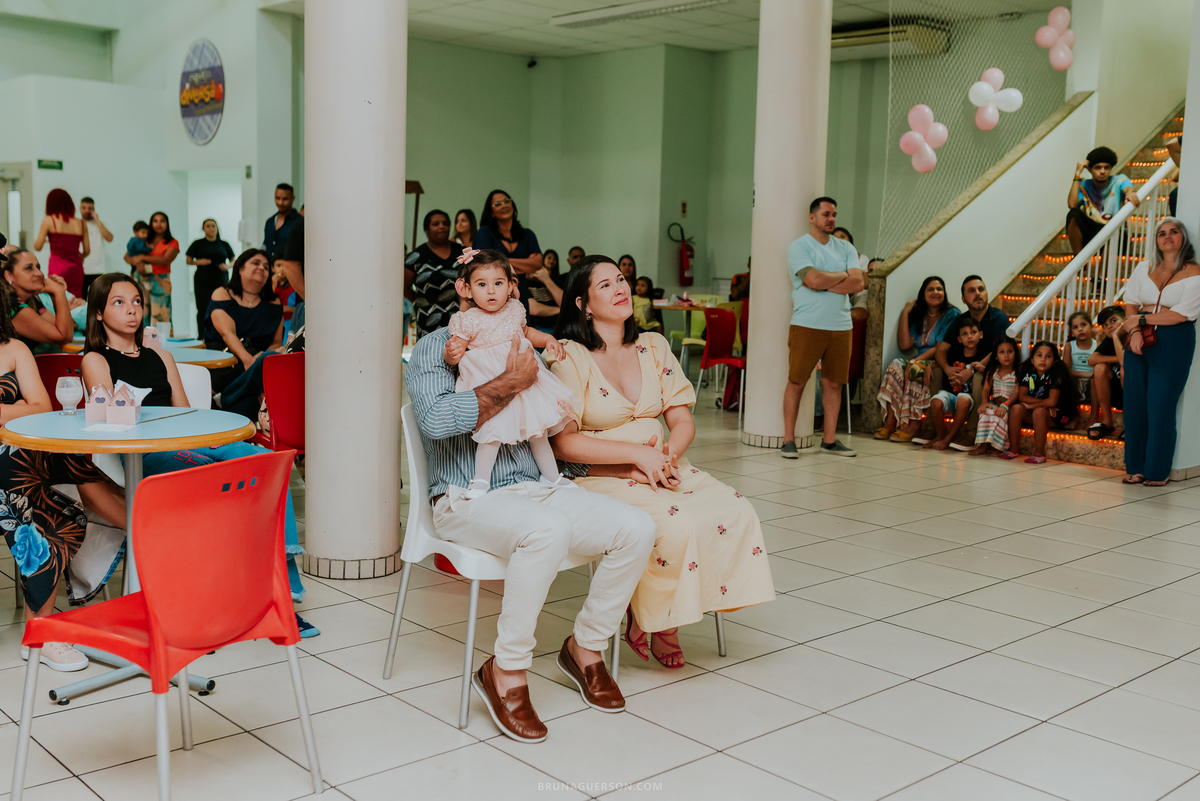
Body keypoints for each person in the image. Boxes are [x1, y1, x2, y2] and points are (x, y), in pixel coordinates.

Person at [406, 304, 656, 745]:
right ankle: (505, 670)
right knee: (548, 531)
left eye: (504, 285)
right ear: (463, 288)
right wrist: (507, 384)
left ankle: (586, 648)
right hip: (467, 496)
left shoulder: (521, 343)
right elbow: (435, 421)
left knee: (636, 527)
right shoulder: (434, 348)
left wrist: (618, 471)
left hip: (537, 488)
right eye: (482, 283)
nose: (495, 295)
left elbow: (542, 426)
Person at [548, 256, 775, 669]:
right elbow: (563, 444)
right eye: (605, 285)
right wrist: (638, 456)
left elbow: (682, 420)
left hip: (665, 466)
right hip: (602, 474)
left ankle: (653, 613)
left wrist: (667, 456)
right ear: (582, 303)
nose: (621, 288)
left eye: (621, 279)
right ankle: (659, 623)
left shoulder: (653, 346)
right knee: (673, 525)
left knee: (736, 509)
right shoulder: (569, 356)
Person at [81, 273, 317, 636]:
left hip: (185, 442)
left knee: (266, 464)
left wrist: (208, 441)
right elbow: (114, 419)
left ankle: (280, 585)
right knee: (214, 479)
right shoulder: (97, 360)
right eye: (118, 302)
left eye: (137, 302)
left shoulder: (160, 355)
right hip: (143, 453)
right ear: (98, 312)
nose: (132, 310)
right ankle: (260, 599)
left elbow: (188, 415)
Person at [442, 249, 576, 496]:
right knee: (491, 432)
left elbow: (526, 333)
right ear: (468, 289)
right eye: (482, 284)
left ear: (511, 286)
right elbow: (456, 350)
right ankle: (481, 481)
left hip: (527, 383)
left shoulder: (515, 310)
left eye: (498, 283)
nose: (491, 291)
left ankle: (552, 477)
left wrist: (547, 339)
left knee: (538, 431)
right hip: (492, 382)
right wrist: (451, 353)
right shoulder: (467, 319)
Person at [781, 197, 863, 459]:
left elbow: (858, 284)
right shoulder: (799, 247)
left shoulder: (846, 247)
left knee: (834, 384)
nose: (831, 219)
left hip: (841, 325)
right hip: (807, 323)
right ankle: (788, 440)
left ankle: (829, 441)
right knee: (797, 381)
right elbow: (812, 278)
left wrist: (823, 281)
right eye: (826, 214)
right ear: (812, 217)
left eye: (834, 214)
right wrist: (842, 275)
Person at [1120, 216, 1200, 485]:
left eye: (1173, 232)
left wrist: (1141, 320)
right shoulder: (1144, 267)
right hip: (1137, 340)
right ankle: (1135, 467)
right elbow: (1131, 302)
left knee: (1160, 407)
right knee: (1134, 406)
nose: (1167, 236)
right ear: (1156, 240)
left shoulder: (1195, 272)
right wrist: (1133, 332)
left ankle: (1156, 471)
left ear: (1183, 238)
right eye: (1161, 233)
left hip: (1174, 341)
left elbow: (1181, 314)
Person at [875, 276, 959, 442]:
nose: (936, 292)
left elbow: (940, 347)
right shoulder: (920, 315)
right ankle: (890, 421)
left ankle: (913, 425)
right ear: (923, 295)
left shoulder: (951, 314)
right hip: (919, 358)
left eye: (939, 289)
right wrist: (905, 313)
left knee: (915, 368)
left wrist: (915, 361)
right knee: (896, 365)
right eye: (931, 289)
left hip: (939, 359)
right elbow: (905, 344)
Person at [203, 249, 284, 393]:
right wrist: (250, 362)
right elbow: (227, 334)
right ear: (240, 268)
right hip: (225, 364)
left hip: (260, 365)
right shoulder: (223, 294)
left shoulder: (274, 302)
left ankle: (224, 399)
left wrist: (262, 357)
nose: (261, 268)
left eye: (266, 267)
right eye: (256, 263)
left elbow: (277, 342)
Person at [1003, 341, 1077, 464]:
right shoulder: (1028, 372)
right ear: (1032, 360)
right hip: (1040, 411)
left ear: (1054, 361)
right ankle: (1013, 448)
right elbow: (1022, 396)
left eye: (1048, 356)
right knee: (1016, 409)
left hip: (1059, 413)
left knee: (1038, 411)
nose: (1043, 359)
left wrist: (1034, 405)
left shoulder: (1056, 374)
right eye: (1039, 355)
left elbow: (1053, 401)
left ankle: (1039, 452)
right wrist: (1045, 403)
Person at [473, 190, 542, 320]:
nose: (504, 205)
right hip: (492, 296)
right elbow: (482, 265)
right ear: (491, 212)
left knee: (521, 334)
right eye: (498, 204)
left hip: (520, 295)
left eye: (507, 201)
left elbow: (537, 264)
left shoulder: (527, 234)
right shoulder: (485, 233)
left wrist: (500, 261)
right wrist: (525, 263)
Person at [924, 317, 983, 451]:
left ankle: (949, 438)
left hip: (968, 397)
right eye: (965, 334)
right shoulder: (954, 352)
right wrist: (930, 367)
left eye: (973, 332)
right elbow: (940, 362)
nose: (969, 336)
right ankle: (939, 435)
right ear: (959, 339)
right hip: (950, 393)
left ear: (981, 334)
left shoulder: (981, 355)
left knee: (963, 400)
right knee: (936, 401)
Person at [405, 209, 465, 340]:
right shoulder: (415, 257)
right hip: (428, 320)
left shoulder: (462, 252)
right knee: (430, 356)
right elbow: (405, 287)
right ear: (426, 229)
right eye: (436, 224)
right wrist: (422, 301)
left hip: (460, 319)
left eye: (445, 223)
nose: (441, 226)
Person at [1067, 146, 1138, 254]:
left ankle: (1101, 272)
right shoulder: (1084, 185)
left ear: (1111, 168)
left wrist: (1129, 193)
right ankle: (1078, 258)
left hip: (1115, 232)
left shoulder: (1119, 180)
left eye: (1106, 167)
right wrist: (1077, 174)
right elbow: (1072, 204)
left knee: (1111, 233)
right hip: (1092, 232)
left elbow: (1127, 188)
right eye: (1098, 167)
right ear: (1090, 169)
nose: (1102, 171)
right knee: (1073, 214)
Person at [3, 249, 74, 351]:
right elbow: (64, 336)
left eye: (38, 267)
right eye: (28, 268)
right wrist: (59, 292)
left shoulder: (30, 300)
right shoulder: (11, 303)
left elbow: (64, 328)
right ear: (9, 276)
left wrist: (54, 296)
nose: (39, 273)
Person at [124, 211, 179, 326]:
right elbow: (127, 256)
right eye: (155, 221)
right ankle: (140, 342)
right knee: (140, 312)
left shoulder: (172, 242)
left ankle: (162, 343)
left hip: (160, 281)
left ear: (167, 223)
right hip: (140, 278)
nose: (159, 224)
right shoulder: (143, 240)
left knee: (161, 315)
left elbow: (165, 260)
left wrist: (142, 257)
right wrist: (137, 263)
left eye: (162, 221)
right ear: (151, 223)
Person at [33, 189, 89, 299]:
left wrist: (46, 240)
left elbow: (37, 246)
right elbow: (87, 250)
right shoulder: (81, 223)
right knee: (76, 301)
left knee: (58, 300)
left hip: (57, 268)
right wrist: (79, 257)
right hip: (76, 269)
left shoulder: (49, 220)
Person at [186, 218, 235, 338]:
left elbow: (233, 260)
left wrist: (227, 266)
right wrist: (199, 262)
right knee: (202, 308)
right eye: (208, 226)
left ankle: (220, 334)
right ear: (203, 229)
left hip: (221, 279)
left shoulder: (224, 244)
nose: (211, 228)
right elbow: (188, 260)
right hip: (202, 280)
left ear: (217, 228)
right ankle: (202, 335)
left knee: (222, 306)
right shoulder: (198, 243)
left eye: (213, 226)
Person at [970, 337, 1018, 455]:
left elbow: (1016, 393)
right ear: (996, 356)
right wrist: (984, 402)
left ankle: (998, 447)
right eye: (1002, 352)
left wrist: (1005, 405)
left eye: (1010, 352)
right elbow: (986, 388)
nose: (1006, 355)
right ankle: (983, 445)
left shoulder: (1017, 372)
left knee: (1001, 416)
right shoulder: (992, 371)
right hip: (994, 404)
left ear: (1015, 354)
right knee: (985, 412)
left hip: (1008, 405)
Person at [1087, 305, 1126, 441]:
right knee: (1099, 368)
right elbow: (1092, 360)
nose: (1109, 326)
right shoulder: (1109, 340)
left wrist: (1116, 337)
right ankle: (1107, 420)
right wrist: (1119, 357)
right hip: (1117, 393)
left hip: (1135, 394)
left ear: (1125, 319)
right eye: (1105, 325)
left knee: (1124, 370)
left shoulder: (1133, 335)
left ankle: (1132, 423)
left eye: (1113, 321)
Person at [1065, 311, 1098, 424]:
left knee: (1096, 382)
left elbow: (1101, 364)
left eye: (1083, 325)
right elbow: (1067, 371)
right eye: (1075, 327)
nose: (1080, 329)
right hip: (1075, 382)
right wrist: (1089, 375)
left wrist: (1098, 339)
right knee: (1065, 382)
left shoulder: (1096, 344)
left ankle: (1093, 419)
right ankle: (1073, 416)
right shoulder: (1070, 346)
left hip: (1093, 384)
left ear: (1091, 327)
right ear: (1072, 333)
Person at [79, 197, 112, 295]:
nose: (87, 210)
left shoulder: (101, 224)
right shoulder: (77, 224)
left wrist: (97, 221)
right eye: (84, 208)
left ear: (94, 209)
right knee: (81, 300)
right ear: (80, 208)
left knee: (98, 301)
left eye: (90, 208)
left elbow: (109, 238)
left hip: (98, 269)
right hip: (81, 269)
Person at [263, 183, 302, 262]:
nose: (280, 203)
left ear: (293, 198)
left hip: (289, 271)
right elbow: (265, 246)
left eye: (285, 199)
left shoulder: (299, 222)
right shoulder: (269, 222)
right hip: (271, 271)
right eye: (277, 198)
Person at [527, 249, 563, 334]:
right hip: (536, 329)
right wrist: (561, 309)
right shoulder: (521, 282)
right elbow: (534, 309)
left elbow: (565, 302)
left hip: (559, 327)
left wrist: (546, 280)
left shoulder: (556, 280)